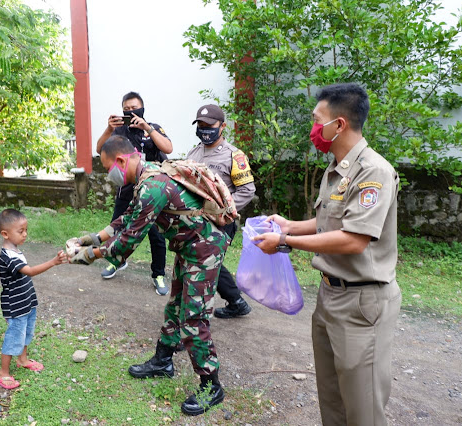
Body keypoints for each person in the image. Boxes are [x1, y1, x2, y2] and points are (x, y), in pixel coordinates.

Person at [253, 83, 402, 426]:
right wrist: (289, 226)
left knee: (363, 409)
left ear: (340, 125)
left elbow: (353, 240)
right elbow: (327, 222)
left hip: (362, 302)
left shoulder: (373, 172)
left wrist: (286, 243)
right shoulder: (338, 168)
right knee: (332, 401)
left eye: (318, 120)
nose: (313, 129)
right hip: (330, 296)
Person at [68, 135, 229, 416]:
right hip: (190, 247)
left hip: (204, 250)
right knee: (175, 305)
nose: (110, 175)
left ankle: (211, 386)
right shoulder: (148, 176)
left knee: (193, 316)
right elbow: (126, 218)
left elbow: (127, 242)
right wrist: (90, 238)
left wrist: (90, 255)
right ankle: (163, 361)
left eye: (108, 169)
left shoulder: (153, 186)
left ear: (121, 160)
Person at [95, 91, 172, 295]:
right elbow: (100, 149)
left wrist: (148, 128)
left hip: (152, 190)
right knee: (118, 225)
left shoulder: (152, 128)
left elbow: (168, 148)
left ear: (142, 108)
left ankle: (158, 274)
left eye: (134, 108)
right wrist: (108, 128)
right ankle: (116, 262)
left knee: (155, 235)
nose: (130, 112)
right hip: (126, 188)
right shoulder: (119, 130)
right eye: (126, 109)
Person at [187, 104, 255, 319]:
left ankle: (198, 317)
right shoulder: (193, 152)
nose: (204, 129)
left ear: (222, 126)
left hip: (222, 222)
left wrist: (222, 211)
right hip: (196, 220)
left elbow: (247, 190)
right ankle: (236, 302)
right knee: (207, 261)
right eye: (200, 125)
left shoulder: (235, 156)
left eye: (209, 125)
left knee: (206, 262)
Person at [0, 208, 67, 390]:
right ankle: (3, 373)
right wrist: (53, 262)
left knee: (26, 331)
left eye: (26, 230)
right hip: (15, 305)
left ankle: (23, 359)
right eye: (20, 231)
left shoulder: (15, 250)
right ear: (5, 233)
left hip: (26, 301)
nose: (25, 234)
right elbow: (30, 271)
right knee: (14, 336)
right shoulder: (8, 256)